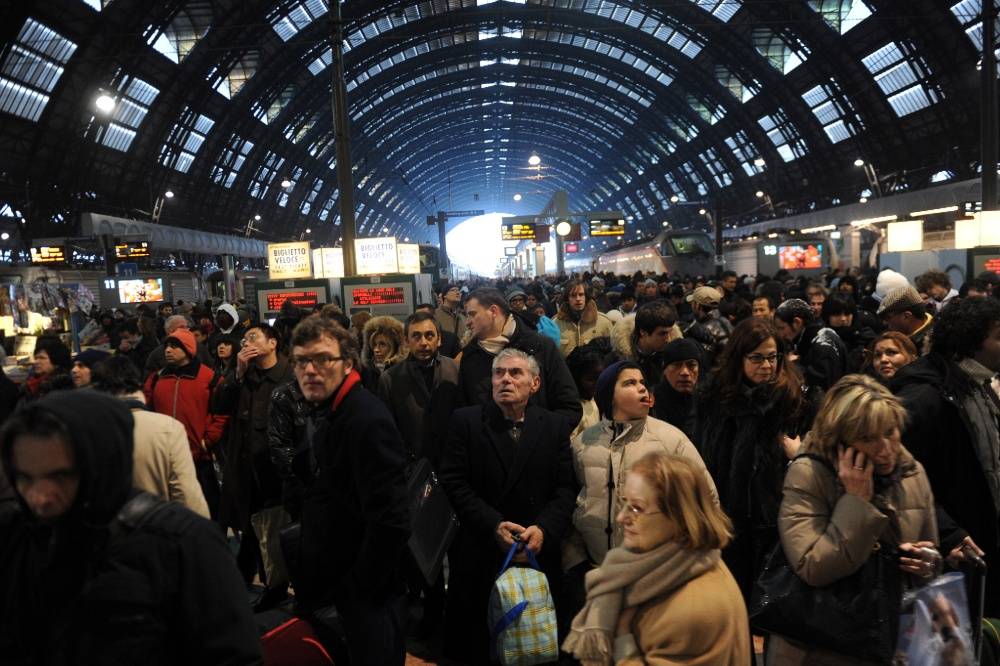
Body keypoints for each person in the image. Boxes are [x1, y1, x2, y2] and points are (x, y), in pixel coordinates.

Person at [0, 391, 260, 664]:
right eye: (25, 478)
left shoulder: (181, 542)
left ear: (101, 465)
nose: (40, 498)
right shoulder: (20, 535)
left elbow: (232, 655)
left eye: (60, 476)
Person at [770, 375, 940, 664]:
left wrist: (926, 564)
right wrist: (856, 503)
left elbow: (932, 559)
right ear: (840, 439)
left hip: (889, 638)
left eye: (890, 432)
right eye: (868, 438)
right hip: (821, 646)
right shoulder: (809, 473)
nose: (886, 448)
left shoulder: (912, 471)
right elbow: (812, 567)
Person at [439, 348, 577, 663]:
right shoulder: (466, 421)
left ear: (535, 383)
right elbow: (454, 482)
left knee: (535, 645)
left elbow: (566, 487)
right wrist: (493, 524)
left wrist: (544, 529)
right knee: (479, 646)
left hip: (536, 551)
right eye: (499, 373)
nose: (505, 380)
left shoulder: (554, 426)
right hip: (482, 549)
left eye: (516, 373)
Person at [290, 316, 410, 665]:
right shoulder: (329, 410)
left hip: (366, 596)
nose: (310, 370)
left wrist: (358, 587)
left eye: (323, 359)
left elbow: (392, 519)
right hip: (342, 584)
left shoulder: (365, 419)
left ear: (347, 363)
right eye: (301, 360)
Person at [563, 452, 750, 666]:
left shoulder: (692, 608)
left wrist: (622, 637)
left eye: (637, 508)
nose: (621, 517)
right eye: (625, 503)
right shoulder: (659, 567)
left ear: (679, 516)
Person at [891, 297, 1000, 615]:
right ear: (971, 342)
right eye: (998, 336)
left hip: (978, 541)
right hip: (950, 551)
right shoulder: (925, 398)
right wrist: (949, 532)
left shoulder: (975, 384)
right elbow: (899, 474)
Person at [692, 317, 813, 604]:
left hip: (775, 514)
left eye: (772, 357)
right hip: (725, 513)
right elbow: (704, 454)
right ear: (739, 358)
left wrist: (797, 454)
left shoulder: (791, 398)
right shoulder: (715, 399)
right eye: (757, 358)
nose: (767, 366)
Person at [567, 360, 716, 570]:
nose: (642, 387)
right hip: (596, 568)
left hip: (658, 570)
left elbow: (706, 499)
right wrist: (575, 562)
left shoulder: (671, 440)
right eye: (629, 383)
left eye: (642, 382)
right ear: (609, 394)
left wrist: (684, 561)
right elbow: (569, 504)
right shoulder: (582, 443)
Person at [214, 323, 294, 611]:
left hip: (280, 472)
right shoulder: (243, 376)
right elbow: (219, 405)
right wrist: (235, 373)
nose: (247, 342)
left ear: (273, 343)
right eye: (244, 339)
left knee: (285, 531)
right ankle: (272, 587)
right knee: (257, 529)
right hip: (247, 470)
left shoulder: (289, 374)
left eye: (254, 337)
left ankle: (286, 588)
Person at [91, 355, 209, 518]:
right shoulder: (168, 428)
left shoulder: (89, 431)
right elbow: (187, 495)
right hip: (159, 532)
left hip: (110, 536)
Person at [458, 287, 581, 429]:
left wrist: (544, 438)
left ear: (493, 311)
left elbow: (569, 406)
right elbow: (465, 412)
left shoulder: (540, 347)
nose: (467, 322)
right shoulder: (470, 357)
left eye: (472, 314)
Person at [144, 327, 227, 519]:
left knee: (207, 510)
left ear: (188, 350)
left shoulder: (209, 378)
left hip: (200, 458)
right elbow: (147, 408)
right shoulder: (157, 378)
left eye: (175, 346)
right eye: (167, 346)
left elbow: (222, 412)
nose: (168, 350)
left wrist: (209, 439)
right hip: (165, 456)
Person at [377, 310, 459, 468]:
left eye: (429, 335)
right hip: (411, 465)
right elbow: (387, 430)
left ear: (439, 339)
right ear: (406, 340)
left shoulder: (454, 370)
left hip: (451, 461)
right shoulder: (389, 379)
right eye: (416, 336)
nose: (423, 342)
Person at [774, 297, 847, 393]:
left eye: (781, 328)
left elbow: (819, 387)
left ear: (797, 322)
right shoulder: (812, 337)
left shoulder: (823, 346)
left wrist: (794, 367)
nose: (780, 334)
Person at [610, 300, 683, 388]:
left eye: (670, 332)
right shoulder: (616, 361)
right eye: (662, 334)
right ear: (643, 333)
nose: (668, 339)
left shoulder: (675, 358)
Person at [651, 338, 702, 439]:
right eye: (677, 365)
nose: (685, 372)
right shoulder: (650, 403)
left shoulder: (707, 401)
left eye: (691, 365)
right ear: (664, 370)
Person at [554, 279, 614, 357]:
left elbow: (612, 352)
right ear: (567, 299)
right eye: (573, 295)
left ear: (587, 297)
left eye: (581, 294)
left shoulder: (603, 322)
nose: (578, 299)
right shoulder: (556, 324)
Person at [821, 293, 877, 373]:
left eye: (847, 314)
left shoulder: (865, 335)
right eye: (837, 314)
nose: (843, 318)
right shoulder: (822, 338)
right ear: (827, 316)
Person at [565, 340, 609, 439]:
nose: (597, 384)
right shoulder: (573, 410)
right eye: (590, 379)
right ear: (576, 377)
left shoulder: (593, 399)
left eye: (601, 377)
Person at [144, 314, 214, 375]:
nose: (186, 330)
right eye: (181, 327)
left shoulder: (200, 348)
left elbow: (211, 369)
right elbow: (150, 380)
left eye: (186, 327)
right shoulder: (157, 355)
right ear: (168, 331)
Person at [683, 285, 734, 369]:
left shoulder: (703, 329)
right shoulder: (725, 321)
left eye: (693, 302)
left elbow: (703, 361)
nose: (691, 305)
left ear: (697, 305)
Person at [878, 285, 934, 356]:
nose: (884, 322)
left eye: (888, 317)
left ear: (906, 316)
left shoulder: (938, 338)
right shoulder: (895, 339)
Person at [360, 315, 406, 390]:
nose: (376, 350)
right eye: (374, 344)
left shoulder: (404, 371)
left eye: (382, 344)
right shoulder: (366, 371)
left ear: (394, 346)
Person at [24, 335, 73, 400]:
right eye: (36, 358)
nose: (36, 362)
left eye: (42, 358)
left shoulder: (62, 385)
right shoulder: (32, 382)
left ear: (56, 361)